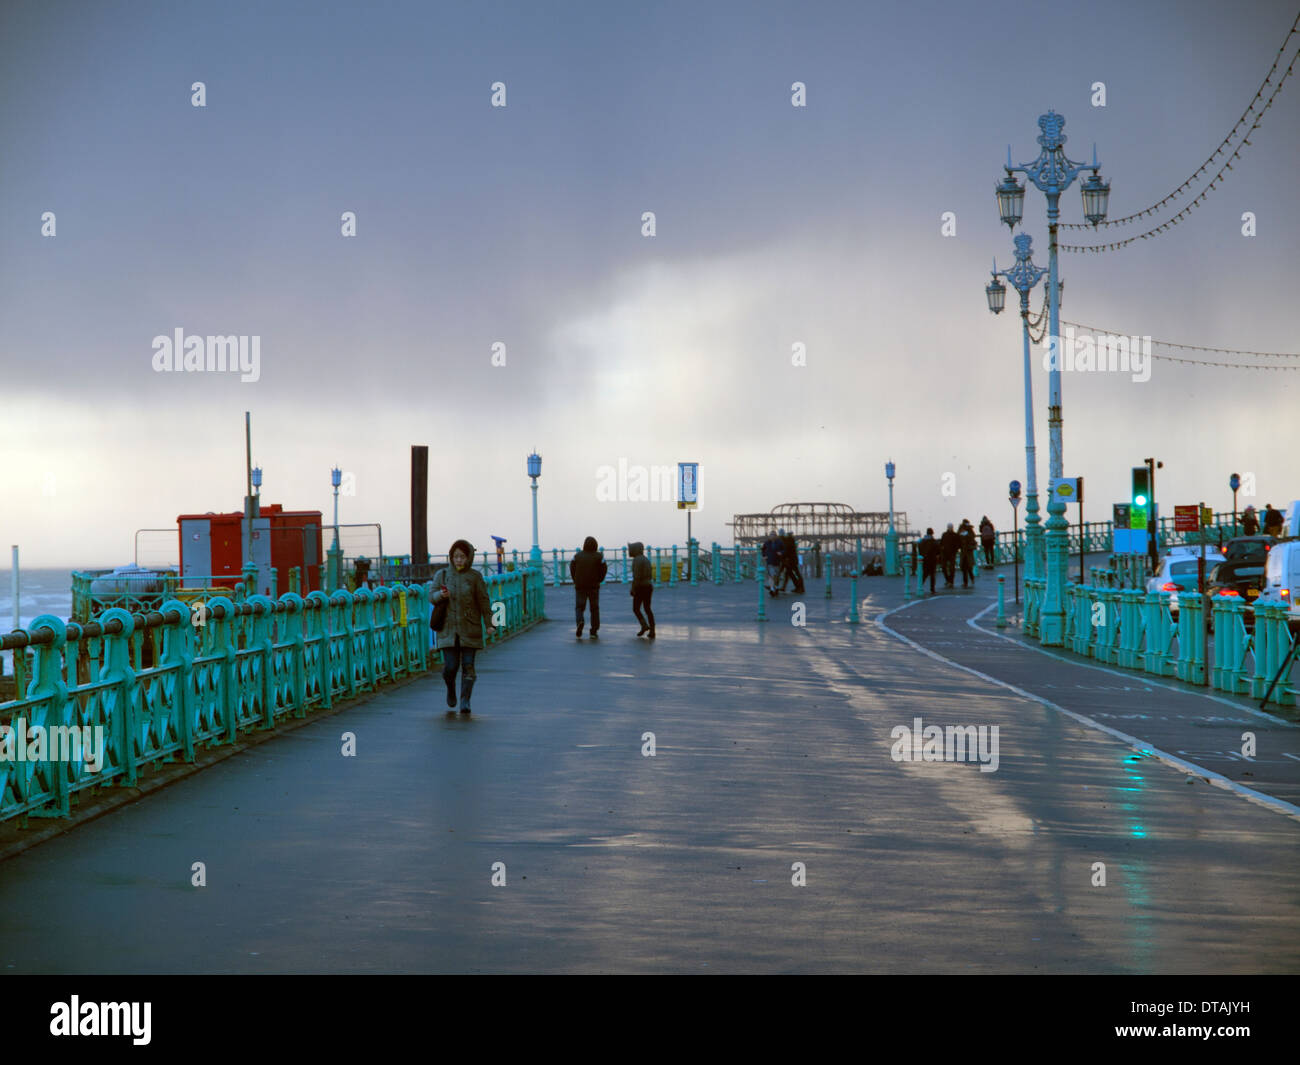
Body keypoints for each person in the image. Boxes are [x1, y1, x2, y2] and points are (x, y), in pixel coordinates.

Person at [431, 539, 496, 714]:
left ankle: (465, 700)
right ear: (451, 557)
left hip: (470, 628)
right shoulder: (442, 575)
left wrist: (490, 624)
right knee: (450, 666)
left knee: (468, 666)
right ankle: (450, 687)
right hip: (448, 629)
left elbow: (484, 601)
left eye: (462, 557)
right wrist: (440, 595)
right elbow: (431, 596)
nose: (459, 560)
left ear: (469, 558)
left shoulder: (475, 577)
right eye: (455, 557)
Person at [569, 535, 607, 638]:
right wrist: (600, 579)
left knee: (579, 607)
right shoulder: (599, 556)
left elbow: (572, 567)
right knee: (594, 608)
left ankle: (580, 622)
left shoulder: (577, 556)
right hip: (594, 586)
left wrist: (575, 579)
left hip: (580, 585)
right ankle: (594, 631)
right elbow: (604, 569)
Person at [628, 541, 655, 638]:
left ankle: (644, 625)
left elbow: (637, 577)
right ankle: (652, 630)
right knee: (647, 609)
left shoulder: (636, 560)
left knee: (636, 609)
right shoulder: (645, 559)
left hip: (641, 587)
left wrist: (633, 589)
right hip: (648, 586)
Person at [762, 530, 784, 596]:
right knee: (771, 575)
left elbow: (784, 549)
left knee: (776, 576)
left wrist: (781, 553)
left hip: (777, 561)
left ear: (776, 536)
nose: (772, 536)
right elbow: (763, 550)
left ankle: (776, 587)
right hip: (770, 561)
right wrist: (764, 556)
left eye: (774, 534)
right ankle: (772, 589)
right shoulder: (766, 543)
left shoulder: (780, 542)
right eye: (771, 534)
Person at [917, 529, 939, 594]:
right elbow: (938, 550)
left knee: (924, 574)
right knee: (932, 575)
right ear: (932, 533)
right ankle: (932, 589)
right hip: (932, 560)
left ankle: (920, 586)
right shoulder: (934, 541)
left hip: (924, 560)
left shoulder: (922, 541)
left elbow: (920, 549)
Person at [939, 523, 959, 588]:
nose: (950, 528)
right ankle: (948, 580)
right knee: (944, 567)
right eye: (949, 527)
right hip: (945, 553)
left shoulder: (953, 535)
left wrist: (955, 550)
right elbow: (941, 543)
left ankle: (950, 581)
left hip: (951, 553)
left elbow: (957, 544)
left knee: (951, 568)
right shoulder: (945, 535)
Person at [958, 519, 976, 588]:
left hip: (965, 552)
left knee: (967, 567)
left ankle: (969, 580)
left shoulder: (963, 531)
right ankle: (968, 581)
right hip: (966, 552)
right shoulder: (969, 530)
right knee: (966, 567)